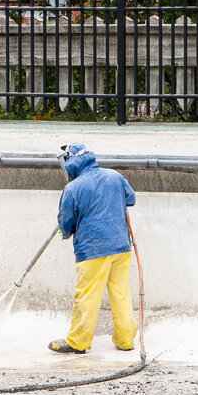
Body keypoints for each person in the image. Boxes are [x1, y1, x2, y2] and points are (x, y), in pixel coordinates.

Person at [49, 143, 138, 354]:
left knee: (87, 296)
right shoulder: (114, 176)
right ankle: (125, 340)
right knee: (121, 294)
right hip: (121, 247)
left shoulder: (72, 189)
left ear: (70, 165)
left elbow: (66, 224)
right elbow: (131, 199)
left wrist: (65, 231)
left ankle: (78, 342)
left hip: (93, 252)